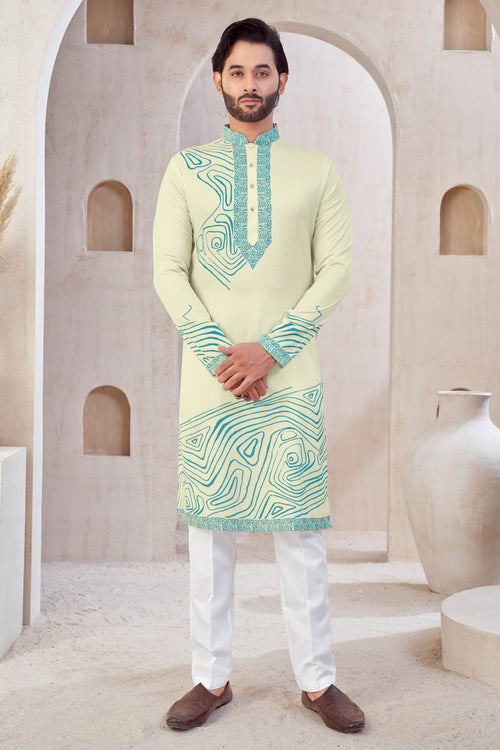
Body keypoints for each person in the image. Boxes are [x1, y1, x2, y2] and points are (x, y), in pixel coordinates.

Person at [153, 18, 364, 734]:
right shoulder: (185, 171)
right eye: (238, 72)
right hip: (211, 378)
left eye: (263, 71)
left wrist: (268, 351)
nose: (250, 84)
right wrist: (226, 356)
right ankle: (210, 678)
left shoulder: (317, 171)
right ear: (218, 79)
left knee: (300, 534)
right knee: (211, 535)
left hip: (290, 376)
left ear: (282, 79)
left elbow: (335, 271)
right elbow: (169, 271)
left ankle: (318, 681)